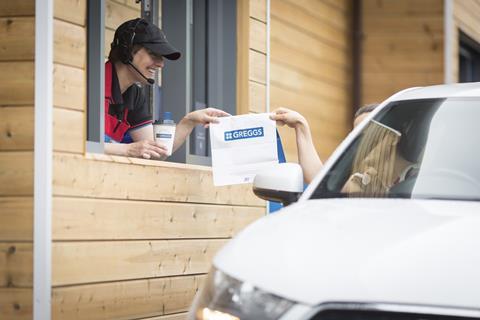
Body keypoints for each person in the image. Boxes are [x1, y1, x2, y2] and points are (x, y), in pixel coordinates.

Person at [104, 18, 229, 160]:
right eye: (153, 54)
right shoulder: (92, 83)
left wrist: (189, 121)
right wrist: (126, 150)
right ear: (126, 51)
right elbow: (75, 142)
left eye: (161, 57)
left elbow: (153, 154)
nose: (161, 64)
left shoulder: (134, 95)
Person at [270, 104, 379, 183]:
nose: (361, 140)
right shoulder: (359, 180)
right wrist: (300, 124)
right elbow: (318, 181)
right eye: (357, 134)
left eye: (369, 131)